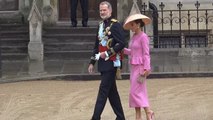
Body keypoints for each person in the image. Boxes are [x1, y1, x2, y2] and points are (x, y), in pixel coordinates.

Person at [88, 1, 126, 120]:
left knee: (103, 92)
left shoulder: (115, 25)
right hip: (103, 63)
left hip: (111, 62)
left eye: (104, 10)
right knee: (112, 93)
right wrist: (92, 62)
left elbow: (122, 43)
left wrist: (108, 53)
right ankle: (120, 117)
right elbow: (96, 46)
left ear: (110, 11)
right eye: (100, 10)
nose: (102, 12)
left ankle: (95, 117)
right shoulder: (100, 25)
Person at [123, 13, 155, 120]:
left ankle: (148, 111)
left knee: (135, 92)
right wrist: (122, 50)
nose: (131, 27)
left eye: (132, 25)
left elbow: (146, 53)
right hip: (133, 68)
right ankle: (139, 116)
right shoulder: (134, 37)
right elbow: (132, 51)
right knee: (136, 92)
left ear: (138, 25)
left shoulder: (144, 37)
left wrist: (147, 68)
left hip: (141, 68)